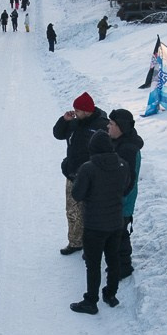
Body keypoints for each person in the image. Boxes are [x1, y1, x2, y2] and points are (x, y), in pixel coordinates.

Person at [70, 129, 131, 314]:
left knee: (93, 264)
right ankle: (111, 294)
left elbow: (77, 194)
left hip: (94, 225)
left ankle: (91, 301)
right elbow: (126, 188)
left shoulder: (88, 168)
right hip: (115, 223)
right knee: (113, 259)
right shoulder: (123, 164)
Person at [53, 93, 105, 256]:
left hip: (91, 177)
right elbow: (58, 134)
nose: (74, 111)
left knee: (90, 212)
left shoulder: (101, 125)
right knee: (72, 211)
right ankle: (75, 242)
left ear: (87, 110)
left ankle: (91, 245)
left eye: (78, 109)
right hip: (73, 174)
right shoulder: (74, 123)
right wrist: (64, 121)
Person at [110, 108, 143, 281]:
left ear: (121, 127)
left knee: (120, 234)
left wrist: (118, 198)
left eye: (112, 124)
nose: (108, 126)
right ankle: (118, 264)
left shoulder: (128, 149)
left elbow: (127, 180)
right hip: (119, 199)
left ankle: (124, 267)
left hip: (123, 200)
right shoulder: (120, 141)